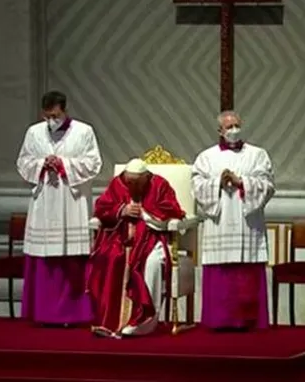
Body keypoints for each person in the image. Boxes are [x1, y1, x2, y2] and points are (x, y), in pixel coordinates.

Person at [16, 91, 102, 326]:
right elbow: (23, 162)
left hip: (71, 201)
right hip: (45, 201)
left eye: (55, 115)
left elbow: (94, 163)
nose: (51, 121)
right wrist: (41, 164)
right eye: (47, 116)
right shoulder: (34, 132)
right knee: (45, 258)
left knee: (72, 259)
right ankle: (43, 313)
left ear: (64, 110)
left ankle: (75, 314)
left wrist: (64, 164)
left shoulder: (84, 132)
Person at [192, 110, 274, 331]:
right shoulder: (206, 157)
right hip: (220, 222)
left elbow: (267, 185)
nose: (234, 130)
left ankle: (249, 320)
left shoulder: (257, 155)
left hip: (247, 223)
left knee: (247, 274)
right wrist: (217, 182)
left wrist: (241, 182)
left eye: (237, 125)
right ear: (220, 130)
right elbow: (196, 186)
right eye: (229, 127)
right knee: (222, 274)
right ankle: (220, 320)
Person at [86, 158, 186, 337]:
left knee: (149, 263)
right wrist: (122, 210)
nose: (131, 186)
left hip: (151, 238)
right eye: (129, 181)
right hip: (120, 238)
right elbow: (102, 207)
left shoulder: (159, 185)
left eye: (137, 183)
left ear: (146, 177)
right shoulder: (118, 183)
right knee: (108, 258)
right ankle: (108, 321)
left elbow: (172, 209)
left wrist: (144, 212)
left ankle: (144, 320)